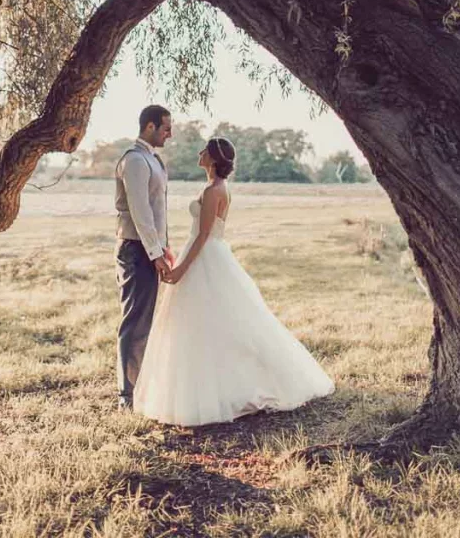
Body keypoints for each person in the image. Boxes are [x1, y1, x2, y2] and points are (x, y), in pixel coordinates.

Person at [133, 136, 335, 426]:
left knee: (212, 322)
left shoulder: (214, 190)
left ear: (213, 159)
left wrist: (179, 271)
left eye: (204, 150)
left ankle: (229, 388)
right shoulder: (216, 188)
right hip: (207, 253)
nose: (199, 152)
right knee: (209, 324)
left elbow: (203, 235)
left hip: (206, 256)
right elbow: (200, 235)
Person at [114, 104, 174, 410]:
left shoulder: (153, 160)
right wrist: (154, 253)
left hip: (149, 248)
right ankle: (127, 396)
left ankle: (140, 389)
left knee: (145, 321)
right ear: (149, 127)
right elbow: (140, 212)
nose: (170, 133)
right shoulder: (135, 161)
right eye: (166, 127)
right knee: (135, 321)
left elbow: (158, 210)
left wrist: (165, 247)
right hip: (136, 250)